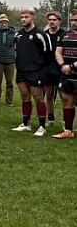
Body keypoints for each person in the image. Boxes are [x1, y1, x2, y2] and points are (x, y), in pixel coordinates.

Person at [11, 10, 52, 136]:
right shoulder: (17, 34)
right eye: (22, 17)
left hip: (36, 72)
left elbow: (48, 53)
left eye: (26, 17)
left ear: (32, 18)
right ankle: (26, 123)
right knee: (24, 97)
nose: (23, 19)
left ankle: (41, 126)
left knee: (38, 98)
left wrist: (42, 69)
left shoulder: (40, 35)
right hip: (21, 71)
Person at [52, 10, 77, 139]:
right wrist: (62, 65)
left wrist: (71, 66)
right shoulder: (65, 36)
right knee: (67, 102)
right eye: (72, 20)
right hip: (67, 75)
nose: (73, 23)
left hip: (73, 71)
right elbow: (58, 52)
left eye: (76, 20)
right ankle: (68, 131)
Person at [43, 11, 66, 125]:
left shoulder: (64, 35)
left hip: (60, 70)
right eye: (50, 20)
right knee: (49, 95)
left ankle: (65, 120)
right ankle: (50, 119)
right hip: (47, 69)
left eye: (54, 20)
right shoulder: (44, 34)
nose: (52, 22)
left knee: (64, 96)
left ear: (59, 21)